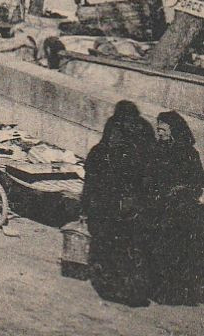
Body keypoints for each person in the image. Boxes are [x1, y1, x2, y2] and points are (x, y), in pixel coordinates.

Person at [83, 100, 156, 306]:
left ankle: (110, 287)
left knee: (108, 245)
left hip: (109, 201)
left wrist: (85, 205)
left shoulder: (110, 137)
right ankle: (125, 288)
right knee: (125, 247)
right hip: (126, 202)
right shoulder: (141, 130)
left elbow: (92, 178)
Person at [148, 111, 203, 305]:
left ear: (173, 131)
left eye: (162, 129)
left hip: (180, 205)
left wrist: (179, 191)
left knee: (174, 232)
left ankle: (172, 291)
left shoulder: (188, 154)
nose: (159, 133)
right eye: (158, 129)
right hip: (156, 201)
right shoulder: (156, 149)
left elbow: (197, 184)